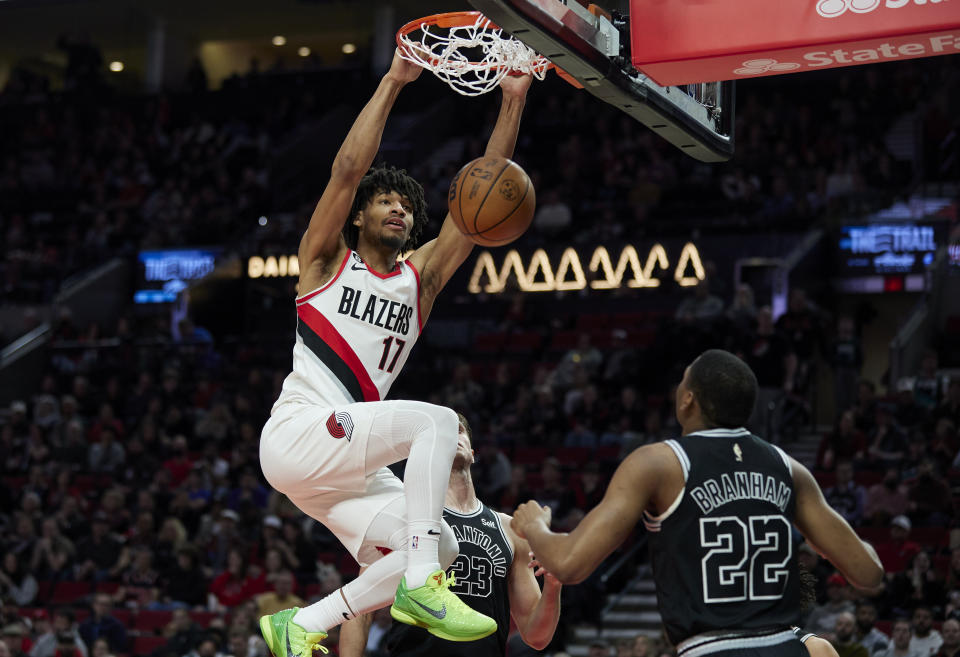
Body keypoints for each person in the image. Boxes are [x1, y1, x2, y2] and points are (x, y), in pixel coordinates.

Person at [257, 49, 533, 657]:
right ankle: (417, 585)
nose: (399, 208)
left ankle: (301, 622)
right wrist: (394, 81)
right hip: (302, 432)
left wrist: (512, 98)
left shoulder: (421, 282)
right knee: (435, 421)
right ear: (358, 218)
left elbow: (484, 188)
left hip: (341, 464)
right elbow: (347, 171)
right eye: (386, 201)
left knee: (443, 546)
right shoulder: (325, 262)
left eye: (407, 205)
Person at [512, 349, 884, 657]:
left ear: (689, 398)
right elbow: (869, 573)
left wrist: (535, 527)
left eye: (683, 381)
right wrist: (824, 541)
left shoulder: (658, 463)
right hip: (786, 646)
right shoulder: (790, 469)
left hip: (711, 649)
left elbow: (569, 564)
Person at [338, 413, 563, 656]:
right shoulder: (403, 518)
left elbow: (536, 636)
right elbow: (358, 613)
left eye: (458, 430)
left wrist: (553, 585)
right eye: (441, 432)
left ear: (473, 453)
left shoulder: (509, 530)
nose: (451, 436)